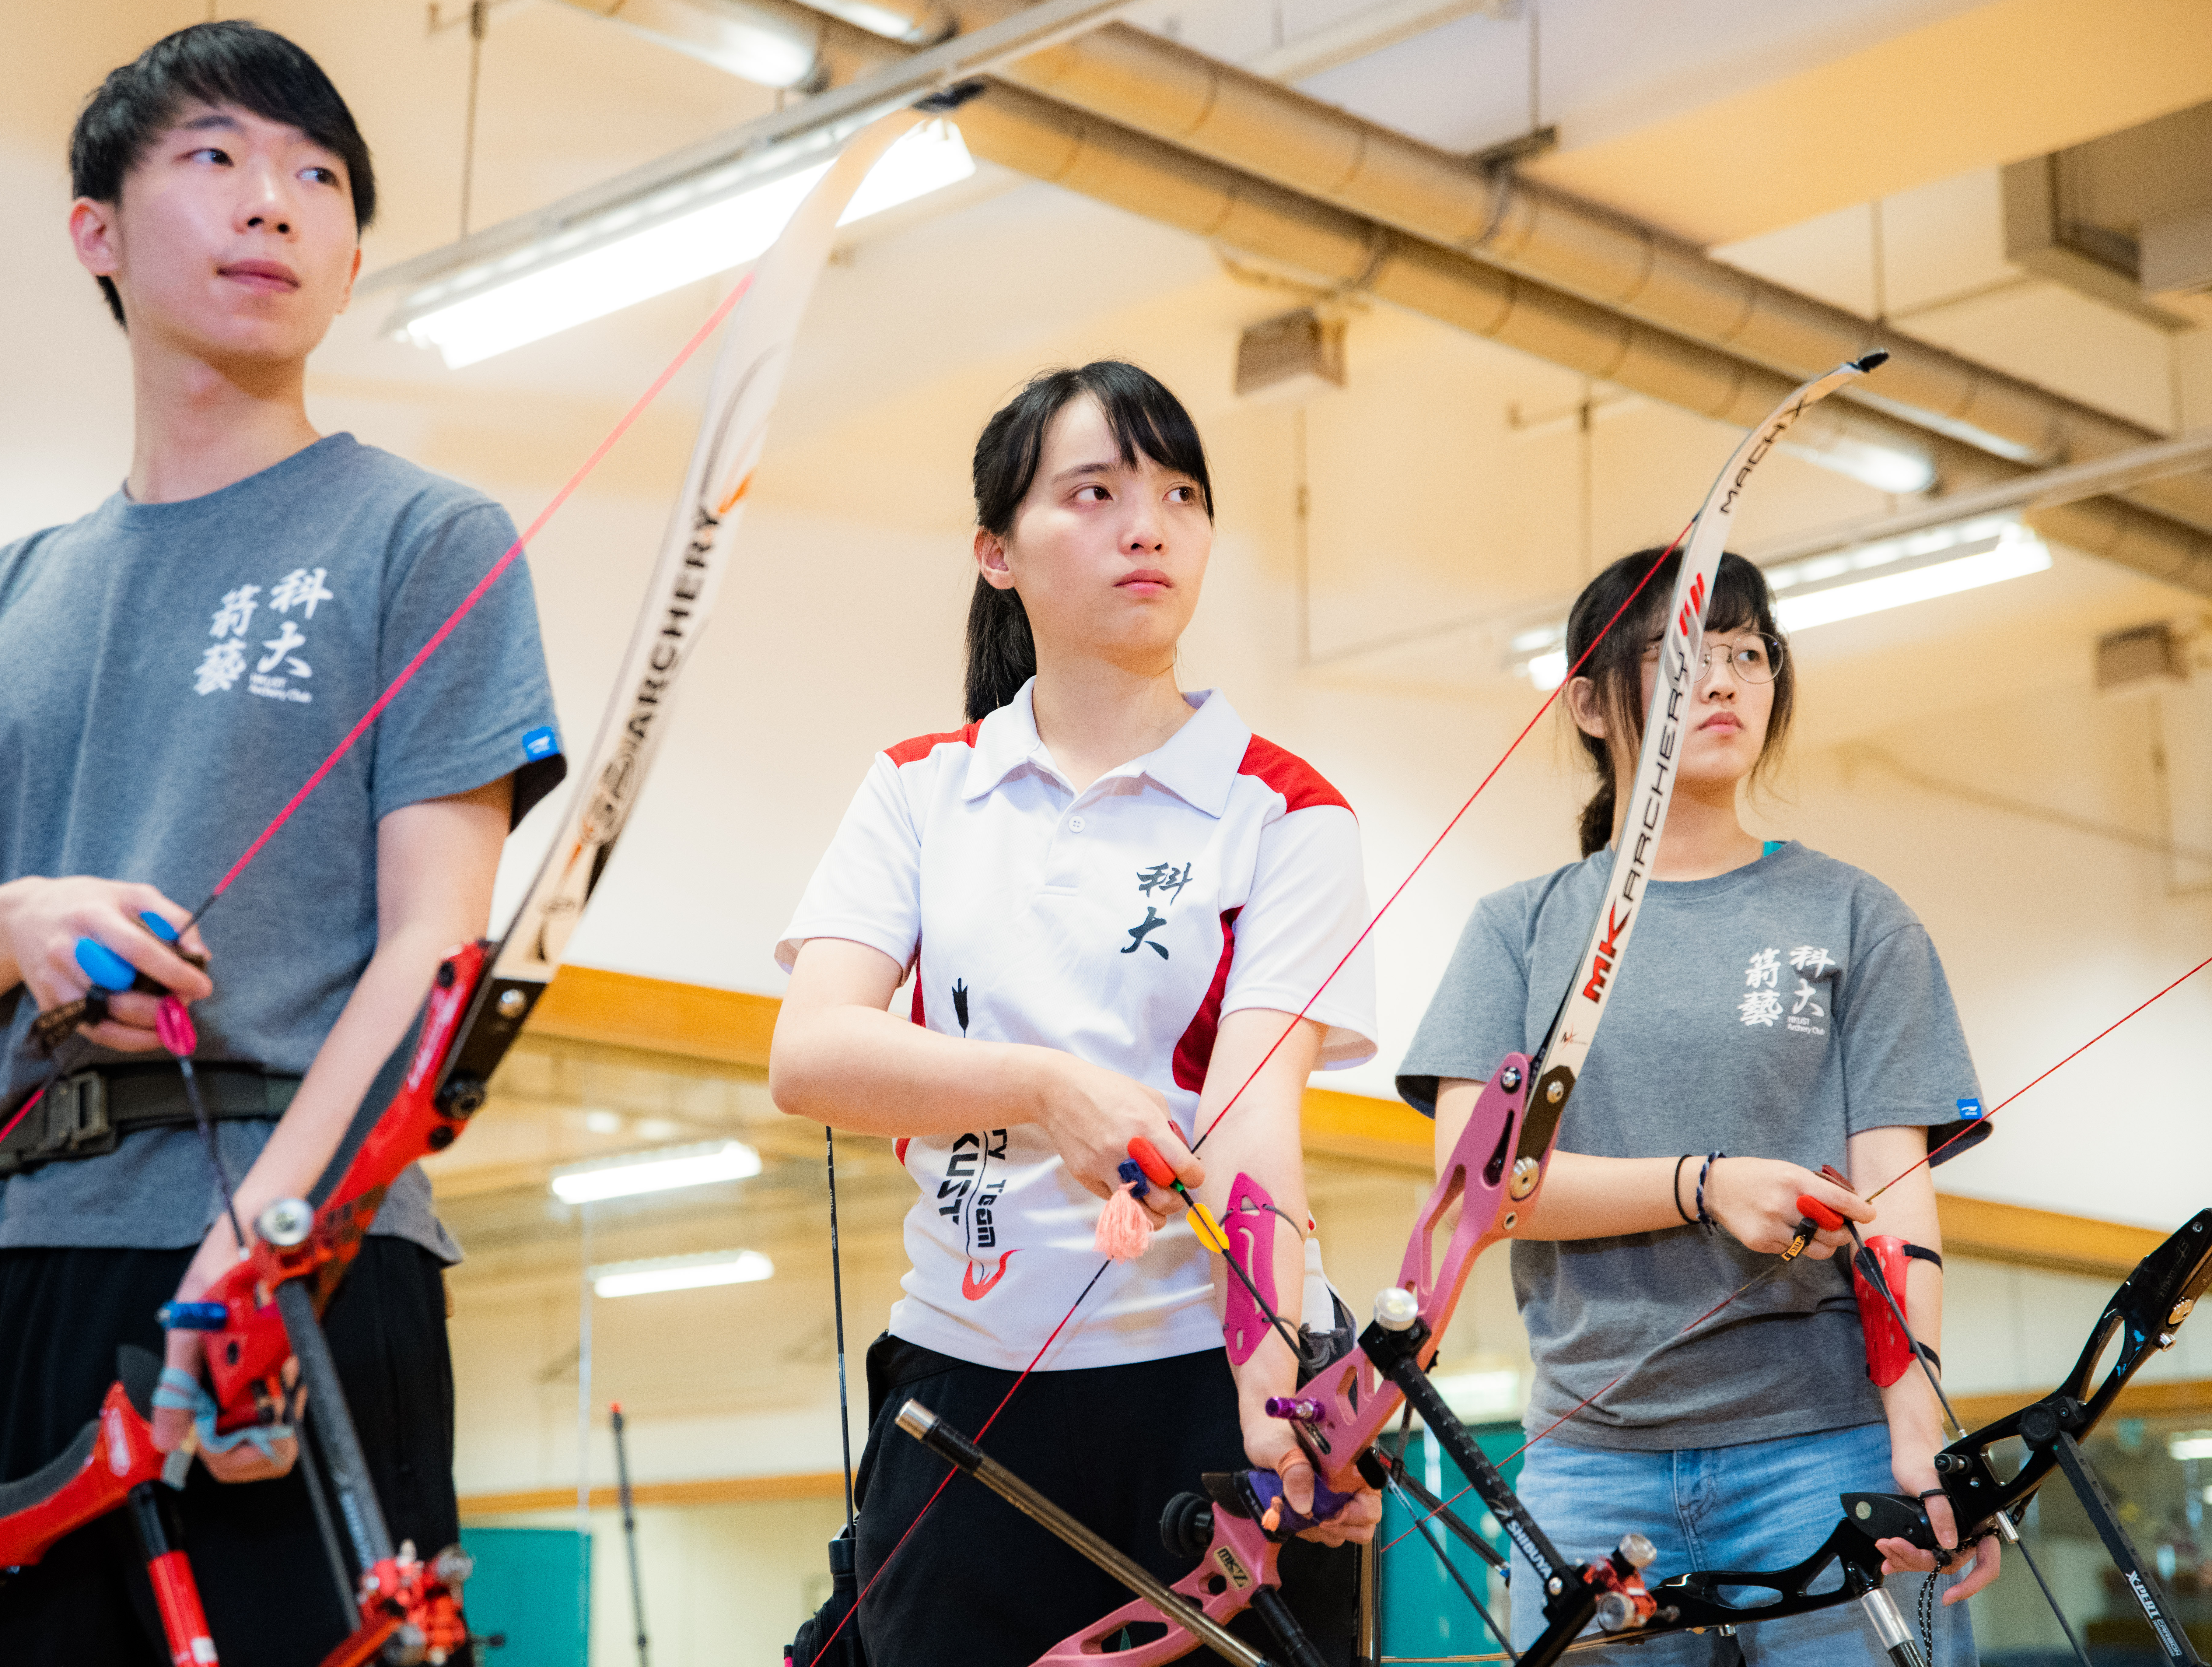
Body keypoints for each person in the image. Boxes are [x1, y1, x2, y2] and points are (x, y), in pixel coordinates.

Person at [0, 22, 559, 1666]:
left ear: (355, 256)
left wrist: (264, 1240)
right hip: (27, 1278)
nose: (273, 206)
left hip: (303, 1273)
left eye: (318, 178)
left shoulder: (426, 539)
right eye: (214, 159)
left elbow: (436, 945)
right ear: (98, 231)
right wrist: (13, 922)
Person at [769, 361, 1383, 1666]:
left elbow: (1254, 1129)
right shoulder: (919, 790)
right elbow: (813, 1050)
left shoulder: (1287, 808)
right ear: (997, 552)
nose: (1147, 524)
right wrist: (1042, 1086)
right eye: (1093, 492)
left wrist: (1275, 1382)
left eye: (1178, 493)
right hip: (961, 1385)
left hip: (1200, 1382)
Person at [1395, 546, 2000, 1667]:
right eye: (1680, 654)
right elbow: (1484, 1195)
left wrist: (1923, 1440)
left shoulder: (1857, 915)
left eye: (1749, 653)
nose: (1722, 680)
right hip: (1588, 1468)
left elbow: (1897, 1197)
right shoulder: (1516, 929)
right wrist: (1704, 1186)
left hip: (1828, 1453)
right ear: (1584, 701)